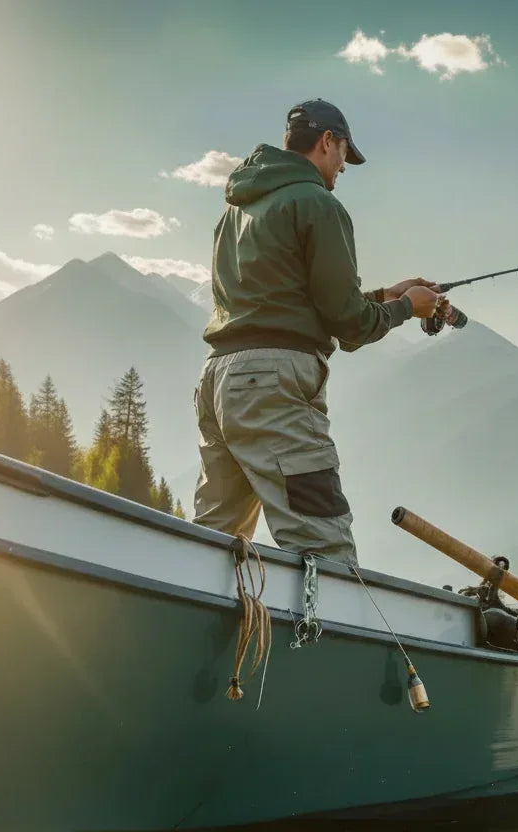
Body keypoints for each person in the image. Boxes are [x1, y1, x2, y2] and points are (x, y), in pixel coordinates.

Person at [193, 98, 446, 566]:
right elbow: (348, 325)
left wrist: (388, 294)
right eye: (345, 155)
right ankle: (336, 637)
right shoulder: (317, 203)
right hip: (274, 384)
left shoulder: (234, 213)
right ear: (327, 141)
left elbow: (293, 301)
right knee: (323, 546)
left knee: (214, 545)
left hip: (218, 381)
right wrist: (406, 309)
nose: (344, 169)